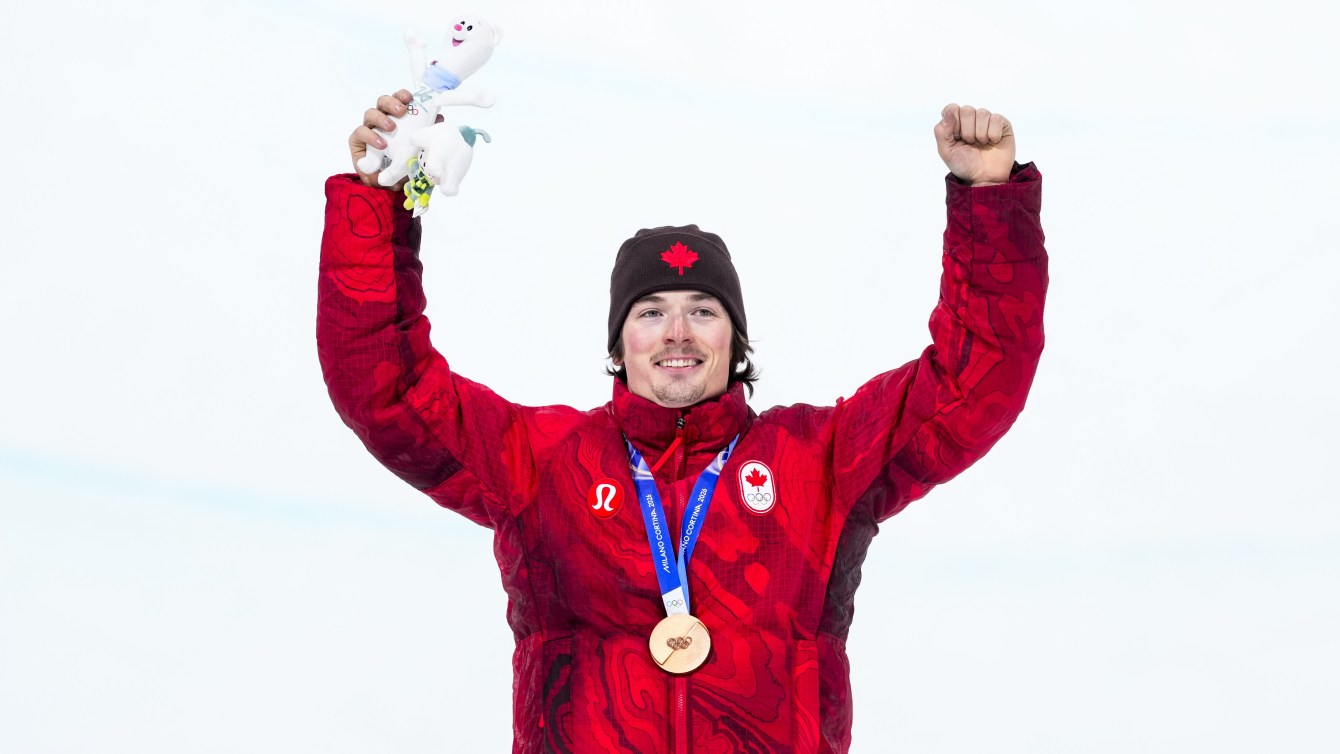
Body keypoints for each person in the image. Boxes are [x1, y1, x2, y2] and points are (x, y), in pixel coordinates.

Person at [318, 90, 1047, 754]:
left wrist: (988, 197)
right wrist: (376, 207)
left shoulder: (820, 461)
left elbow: (972, 380)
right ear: (618, 344)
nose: (677, 333)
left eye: (702, 310)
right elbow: (388, 388)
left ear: (735, 340)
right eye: (649, 313)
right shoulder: (540, 462)